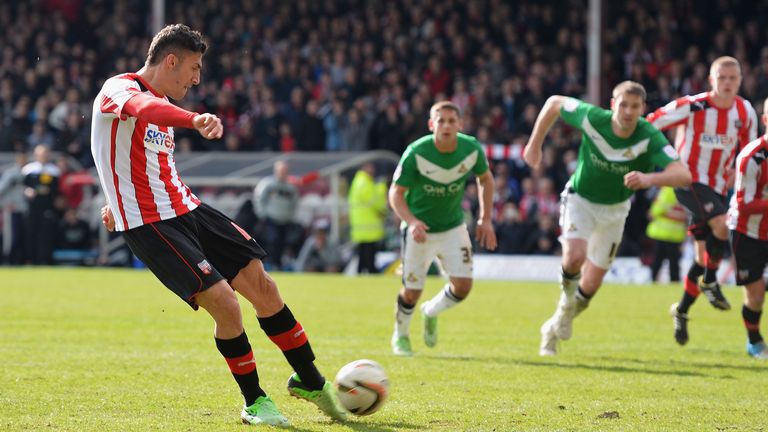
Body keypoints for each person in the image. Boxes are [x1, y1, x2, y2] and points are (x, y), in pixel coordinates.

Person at [91, 24, 345, 427]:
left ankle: (310, 380)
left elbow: (137, 160)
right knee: (226, 304)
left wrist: (112, 194)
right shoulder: (120, 88)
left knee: (263, 287)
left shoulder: (161, 102)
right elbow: (141, 109)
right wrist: (193, 120)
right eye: (193, 68)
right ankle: (255, 402)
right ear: (170, 60)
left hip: (189, 209)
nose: (196, 78)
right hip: (150, 224)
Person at [523, 81, 691, 356]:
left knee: (590, 286)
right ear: (613, 104)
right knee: (574, 257)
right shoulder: (592, 118)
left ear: (642, 109)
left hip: (615, 210)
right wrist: (534, 144)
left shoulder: (648, 136)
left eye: (634, 106)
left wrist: (649, 178)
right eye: (623, 104)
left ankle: (553, 326)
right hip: (580, 200)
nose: (627, 111)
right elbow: (554, 101)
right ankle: (565, 309)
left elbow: (682, 173)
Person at [647, 56, 757, 345]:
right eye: (721, 77)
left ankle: (681, 310)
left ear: (740, 80)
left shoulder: (745, 111)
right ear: (711, 79)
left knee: (701, 257)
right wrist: (659, 157)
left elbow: (750, 151)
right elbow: (652, 123)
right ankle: (711, 281)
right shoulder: (692, 105)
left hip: (719, 187)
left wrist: (738, 171)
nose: (727, 83)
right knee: (722, 226)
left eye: (732, 78)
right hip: (688, 180)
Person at [389, 101, 497, 357]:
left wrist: (486, 218)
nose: (446, 125)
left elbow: (485, 179)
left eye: (451, 121)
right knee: (412, 291)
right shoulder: (416, 152)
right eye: (441, 120)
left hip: (452, 227)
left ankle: (431, 311)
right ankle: (401, 335)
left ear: (460, 124)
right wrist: (412, 221)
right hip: (420, 230)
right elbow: (396, 192)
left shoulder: (471, 149)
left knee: (463, 287)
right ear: (431, 125)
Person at [726, 97, 768, 359]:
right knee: (755, 294)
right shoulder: (752, 157)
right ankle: (754, 341)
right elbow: (744, 205)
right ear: (765, 120)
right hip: (747, 232)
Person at [254, 160, 300, 270]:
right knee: (272, 241)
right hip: (271, 219)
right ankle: (270, 263)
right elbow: (259, 198)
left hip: (285, 220)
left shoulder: (291, 188)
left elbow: (295, 203)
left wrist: (291, 216)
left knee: (283, 243)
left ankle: (278, 264)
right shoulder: (268, 184)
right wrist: (262, 214)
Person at [22, 145, 61, 265]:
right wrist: (27, 191)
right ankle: (30, 259)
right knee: (31, 232)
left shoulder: (53, 170)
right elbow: (23, 186)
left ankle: (44, 260)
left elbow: (56, 189)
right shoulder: (28, 169)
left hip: (47, 206)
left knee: (46, 234)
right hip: (32, 206)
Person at [348, 162, 388, 274]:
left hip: (363, 227)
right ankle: (369, 273)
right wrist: (381, 188)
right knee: (369, 257)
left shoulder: (360, 182)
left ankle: (362, 274)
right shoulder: (364, 182)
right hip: (368, 228)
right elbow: (375, 201)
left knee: (363, 256)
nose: (373, 171)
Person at [646, 186, 687, 282]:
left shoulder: (668, 190)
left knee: (658, 259)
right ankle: (674, 282)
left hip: (662, 232)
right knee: (674, 261)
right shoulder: (686, 190)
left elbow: (658, 208)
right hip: (677, 233)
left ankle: (653, 280)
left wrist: (653, 213)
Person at [0, 150, 28, 264]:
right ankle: (9, 260)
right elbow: (1, 189)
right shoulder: (11, 173)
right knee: (11, 237)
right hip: (12, 209)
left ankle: (19, 260)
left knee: (21, 236)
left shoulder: (27, 172)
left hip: (24, 210)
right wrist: (5, 204)